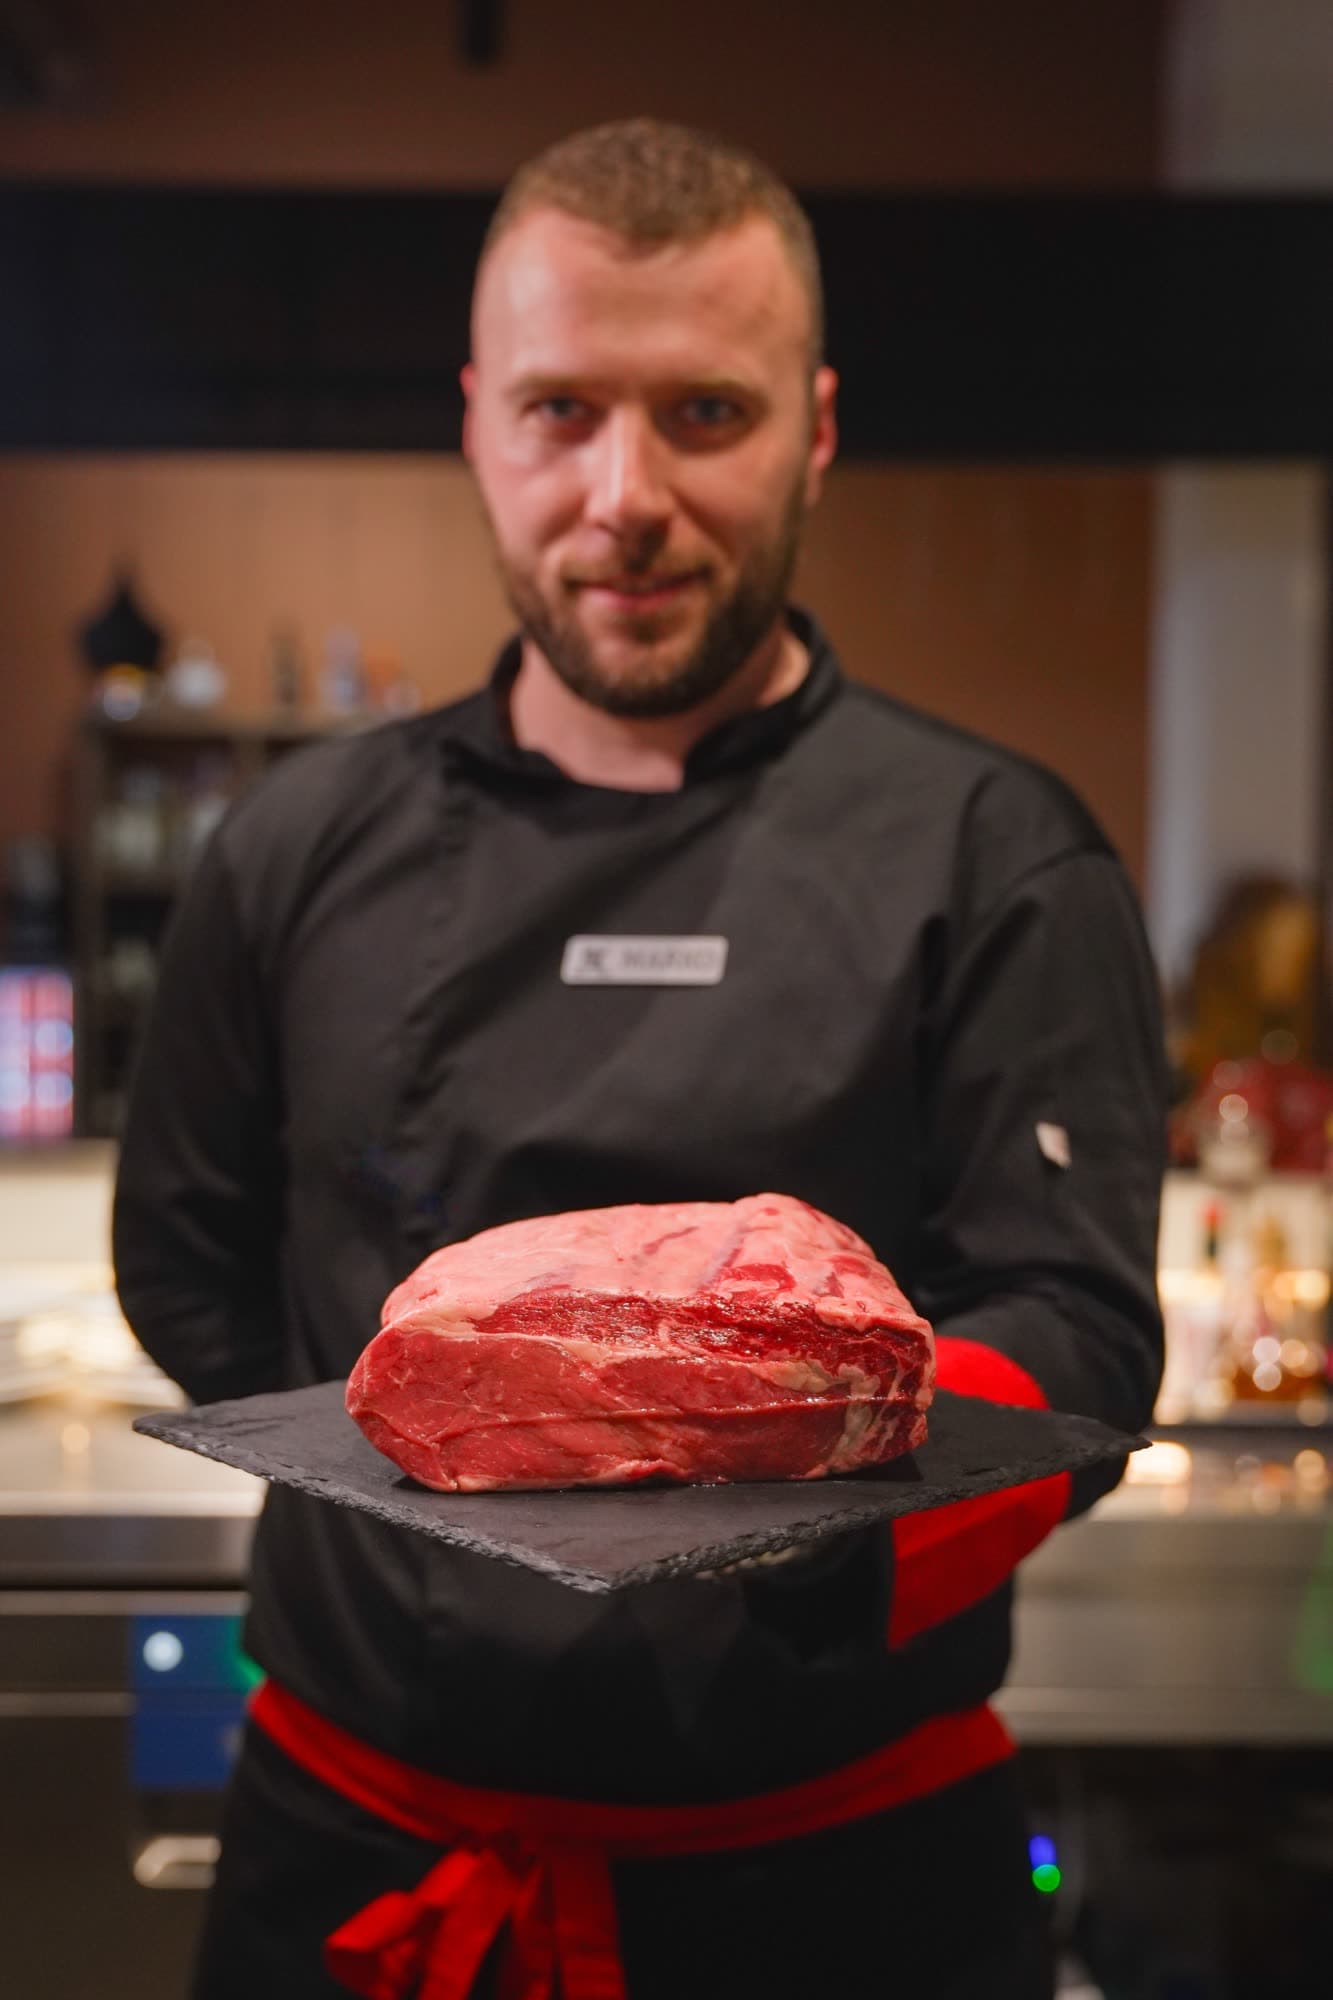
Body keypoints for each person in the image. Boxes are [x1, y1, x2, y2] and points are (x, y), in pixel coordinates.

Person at [113, 118, 1166, 2000]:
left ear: (815, 429)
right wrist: (456, 1460)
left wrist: (796, 1520)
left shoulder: (997, 850)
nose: (623, 497)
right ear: (473, 423)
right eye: (557, 413)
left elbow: (1076, 1330)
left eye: (701, 413)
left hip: (839, 1888)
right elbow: (186, 1259)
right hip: (362, 1864)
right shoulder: (293, 847)